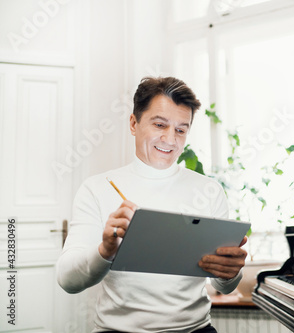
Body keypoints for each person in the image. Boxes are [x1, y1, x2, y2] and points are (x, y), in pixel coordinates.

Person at [56, 76, 247, 333]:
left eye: (181, 129)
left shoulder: (209, 191)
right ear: (134, 123)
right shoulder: (97, 188)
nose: (170, 139)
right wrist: (105, 250)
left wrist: (229, 272)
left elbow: (225, 287)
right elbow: (68, 280)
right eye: (160, 125)